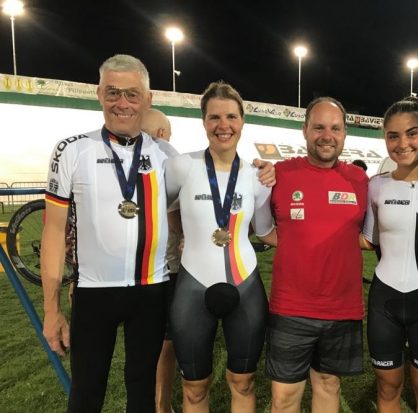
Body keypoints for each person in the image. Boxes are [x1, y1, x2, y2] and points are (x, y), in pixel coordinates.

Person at [40, 54, 179, 412]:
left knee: (142, 394)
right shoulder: (72, 149)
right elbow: (53, 233)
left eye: (132, 94)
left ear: (147, 99)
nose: (122, 103)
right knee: (86, 394)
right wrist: (51, 310)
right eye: (113, 92)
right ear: (99, 93)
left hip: (151, 291)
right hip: (93, 292)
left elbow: (188, 214)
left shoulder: (166, 155)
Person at [165, 81, 276, 413]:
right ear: (204, 122)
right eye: (214, 117)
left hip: (246, 286)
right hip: (193, 287)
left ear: (242, 121)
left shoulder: (258, 177)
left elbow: (265, 231)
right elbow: (161, 212)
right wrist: (182, 233)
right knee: (194, 388)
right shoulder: (181, 166)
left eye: (231, 117)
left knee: (243, 382)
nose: (223, 125)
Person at [267, 97, 368, 413]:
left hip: (342, 308)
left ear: (345, 133)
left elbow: (371, 236)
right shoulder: (279, 174)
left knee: (328, 385)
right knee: (284, 398)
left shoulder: (360, 180)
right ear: (305, 130)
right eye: (319, 127)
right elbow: (260, 229)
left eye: (335, 128)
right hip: (291, 307)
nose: (327, 136)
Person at [361, 97, 418, 413]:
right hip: (384, 299)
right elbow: (369, 240)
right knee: (387, 388)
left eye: (411, 133)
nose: (402, 144)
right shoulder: (376, 186)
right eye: (393, 136)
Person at [141, 108, 179, 413]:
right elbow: (176, 217)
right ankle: (161, 405)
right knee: (166, 340)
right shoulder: (166, 153)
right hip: (166, 267)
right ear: (163, 132)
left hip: (131, 267)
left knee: (141, 339)